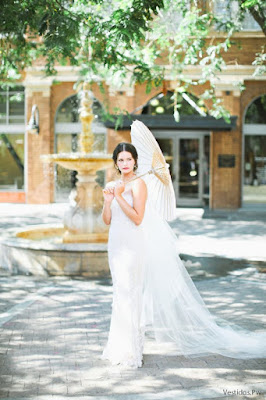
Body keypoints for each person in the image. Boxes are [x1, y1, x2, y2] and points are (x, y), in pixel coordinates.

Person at [100, 136, 266, 369]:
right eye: (121, 159)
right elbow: (107, 220)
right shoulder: (114, 184)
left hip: (133, 245)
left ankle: (130, 351)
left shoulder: (139, 184)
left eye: (129, 159)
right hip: (115, 245)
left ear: (135, 162)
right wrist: (109, 200)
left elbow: (137, 218)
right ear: (115, 163)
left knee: (131, 294)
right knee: (119, 294)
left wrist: (119, 196)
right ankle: (117, 346)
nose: (125, 163)